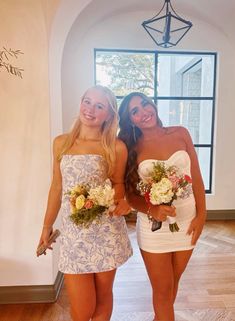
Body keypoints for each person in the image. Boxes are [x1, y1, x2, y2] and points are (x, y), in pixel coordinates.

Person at [37, 85, 133, 321]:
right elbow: (57, 187)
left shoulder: (115, 147)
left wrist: (119, 200)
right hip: (74, 235)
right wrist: (46, 226)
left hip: (106, 231)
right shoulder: (61, 143)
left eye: (99, 106)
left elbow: (118, 184)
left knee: (103, 297)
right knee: (82, 311)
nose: (90, 109)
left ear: (109, 115)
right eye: (87, 101)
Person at [118, 92, 206, 321]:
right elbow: (130, 195)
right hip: (153, 228)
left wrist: (202, 216)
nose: (143, 112)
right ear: (131, 121)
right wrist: (152, 209)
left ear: (153, 105)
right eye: (134, 112)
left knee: (172, 285)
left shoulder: (181, 133)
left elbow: (196, 175)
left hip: (187, 221)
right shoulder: (131, 147)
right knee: (163, 290)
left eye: (144, 105)